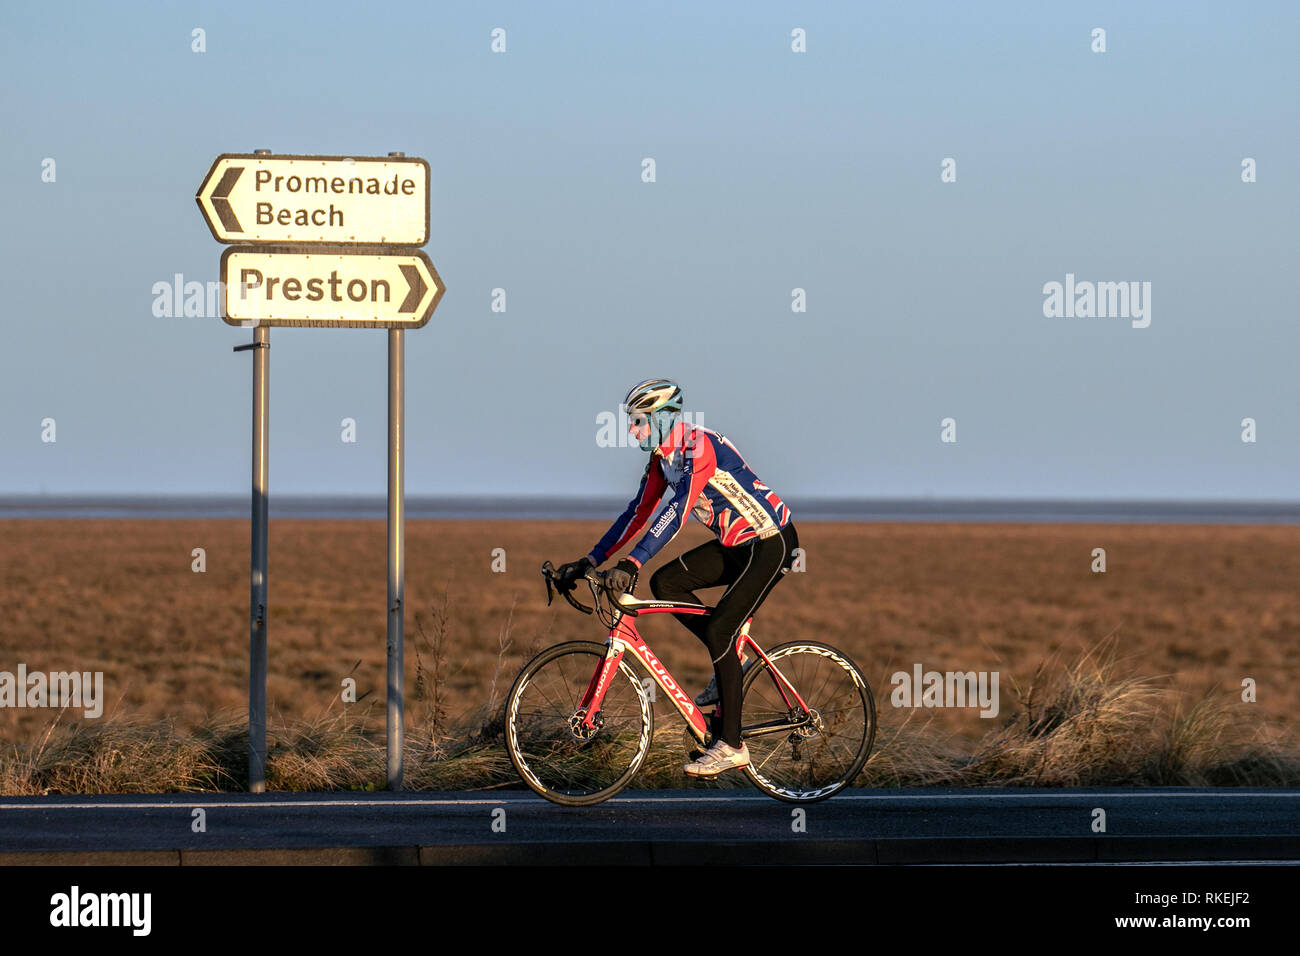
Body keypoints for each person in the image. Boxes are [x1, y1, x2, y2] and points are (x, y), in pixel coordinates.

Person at [555, 378, 799, 777]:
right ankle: (728, 670)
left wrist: (633, 563)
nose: (632, 430)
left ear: (664, 419)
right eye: (630, 422)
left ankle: (732, 745)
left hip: (771, 543)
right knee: (666, 584)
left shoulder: (697, 449)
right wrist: (589, 560)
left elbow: (677, 512)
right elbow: (636, 515)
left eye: (638, 421)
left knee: (720, 631)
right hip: (737, 544)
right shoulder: (661, 460)